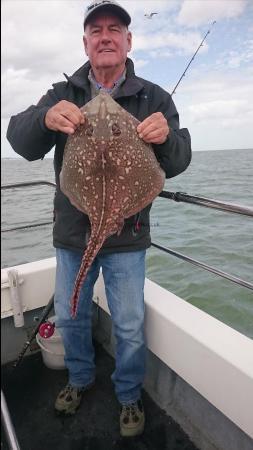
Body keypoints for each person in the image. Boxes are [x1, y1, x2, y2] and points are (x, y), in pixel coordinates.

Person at [7, 0, 191, 438]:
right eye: (96, 30)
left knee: (128, 324)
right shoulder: (64, 91)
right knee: (71, 317)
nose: (105, 36)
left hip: (129, 236)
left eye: (115, 29)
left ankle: (128, 396)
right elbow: (19, 137)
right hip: (74, 233)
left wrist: (165, 139)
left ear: (129, 40)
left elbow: (179, 158)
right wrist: (44, 118)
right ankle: (79, 378)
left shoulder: (153, 96)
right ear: (86, 42)